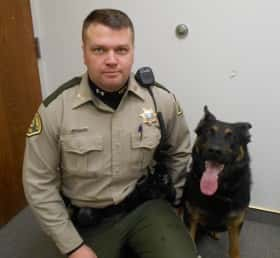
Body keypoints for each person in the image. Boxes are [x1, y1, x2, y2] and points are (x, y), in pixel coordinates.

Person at [23, 9, 198, 258]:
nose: (112, 59)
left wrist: (175, 203)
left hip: (145, 207)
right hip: (88, 220)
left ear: (132, 52)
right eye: (99, 50)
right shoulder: (55, 110)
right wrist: (73, 246)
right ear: (84, 52)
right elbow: (38, 183)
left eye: (121, 50)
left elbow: (179, 151)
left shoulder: (159, 100)